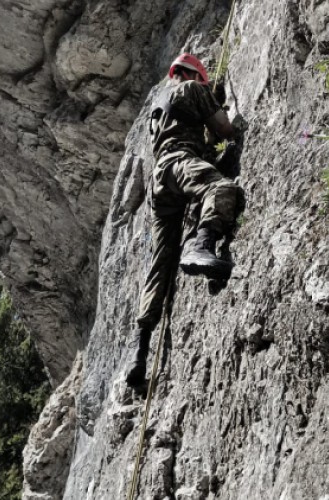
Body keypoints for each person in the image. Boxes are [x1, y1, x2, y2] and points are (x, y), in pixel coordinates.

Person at [126, 53, 239, 390]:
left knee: (159, 264)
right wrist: (232, 129)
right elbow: (224, 128)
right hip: (180, 163)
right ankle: (200, 244)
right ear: (194, 75)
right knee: (220, 188)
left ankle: (139, 353)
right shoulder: (192, 88)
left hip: (159, 183)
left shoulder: (156, 108)